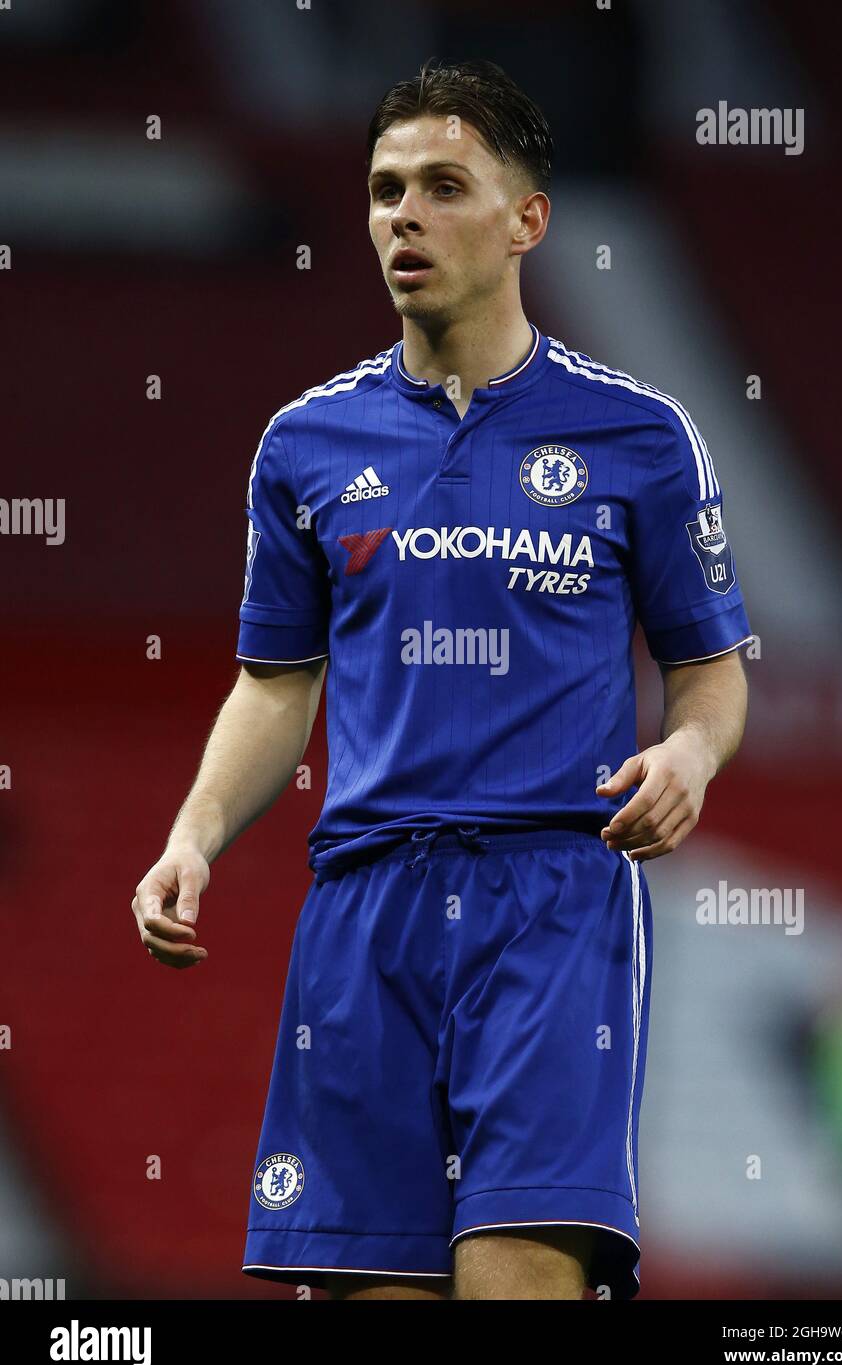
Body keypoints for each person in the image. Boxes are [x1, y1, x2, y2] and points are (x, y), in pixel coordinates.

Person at [132, 58, 751, 1301]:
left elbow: (709, 669)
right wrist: (195, 836)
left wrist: (687, 754)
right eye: (382, 189)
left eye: (441, 186)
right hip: (363, 915)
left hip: (554, 903)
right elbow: (273, 684)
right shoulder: (306, 444)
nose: (401, 215)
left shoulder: (640, 438)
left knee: (517, 1283)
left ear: (528, 220)